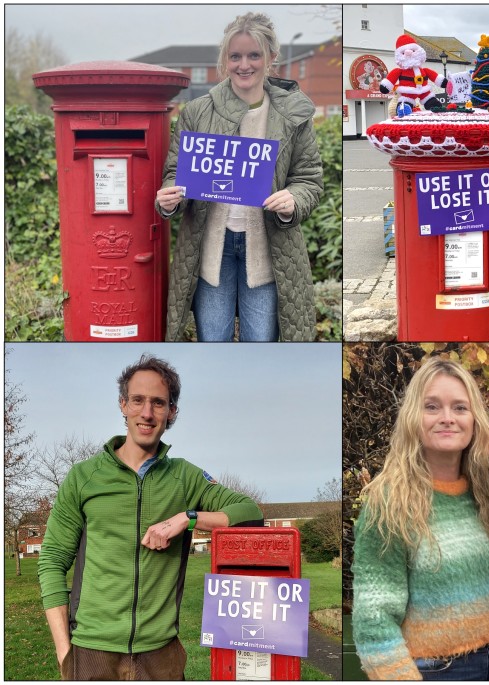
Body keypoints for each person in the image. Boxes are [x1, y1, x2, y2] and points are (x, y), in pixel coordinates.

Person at [38, 355, 263, 680]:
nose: (147, 413)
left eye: (158, 403)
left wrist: (187, 518)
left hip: (161, 655)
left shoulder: (185, 477)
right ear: (123, 405)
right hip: (91, 652)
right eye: (138, 400)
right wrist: (65, 652)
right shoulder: (84, 477)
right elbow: (52, 561)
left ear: (172, 412)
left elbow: (249, 513)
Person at [157, 12, 324, 342]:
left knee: (260, 344)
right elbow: (175, 172)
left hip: (266, 249)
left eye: (254, 55)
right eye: (235, 56)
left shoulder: (294, 114)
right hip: (211, 252)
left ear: (271, 58)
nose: (243, 65)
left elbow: (309, 179)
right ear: (224, 60)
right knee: (213, 341)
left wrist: (293, 200)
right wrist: (168, 199)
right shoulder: (197, 111)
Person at [352, 357, 489, 680]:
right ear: (414, 416)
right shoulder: (390, 502)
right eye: (432, 407)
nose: (447, 418)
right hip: (435, 671)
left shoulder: (487, 493)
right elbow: (374, 614)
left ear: (474, 418)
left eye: (459, 408)